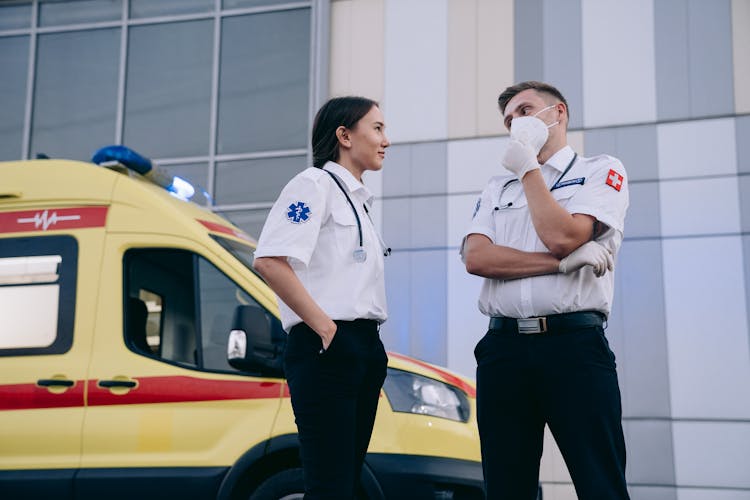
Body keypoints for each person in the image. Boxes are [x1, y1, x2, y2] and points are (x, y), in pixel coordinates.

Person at [461, 81, 630, 499]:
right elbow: (478, 258)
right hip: (504, 349)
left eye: (525, 110)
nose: (515, 122)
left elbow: (562, 234)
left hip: (573, 346)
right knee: (506, 486)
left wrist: (528, 169)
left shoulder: (599, 170)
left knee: (599, 482)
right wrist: (560, 265)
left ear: (558, 113)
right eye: (509, 119)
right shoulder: (498, 188)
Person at [253, 96, 391, 499]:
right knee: (330, 485)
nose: (386, 140)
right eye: (377, 128)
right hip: (327, 346)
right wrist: (326, 328)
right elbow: (270, 260)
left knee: (346, 483)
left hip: (362, 346)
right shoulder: (314, 185)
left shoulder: (359, 202)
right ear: (344, 136)